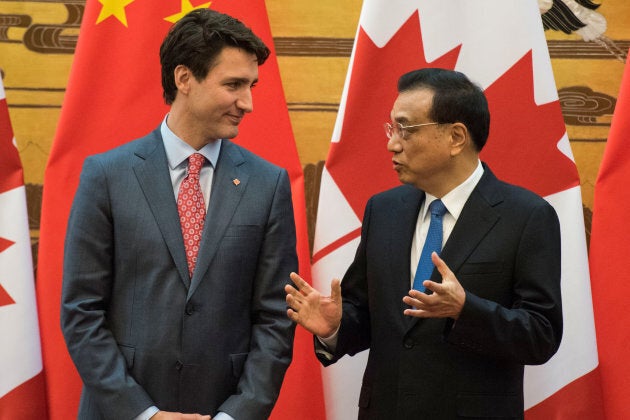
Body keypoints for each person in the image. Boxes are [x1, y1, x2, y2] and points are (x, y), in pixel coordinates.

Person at [286, 68, 563, 419]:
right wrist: (336, 327)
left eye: (406, 129)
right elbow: (371, 315)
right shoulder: (384, 210)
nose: (392, 143)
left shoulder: (525, 217)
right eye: (391, 128)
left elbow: (542, 334)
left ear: (456, 137)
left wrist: (466, 310)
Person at [61, 9, 297, 420]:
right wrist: (144, 414)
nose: (248, 103)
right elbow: (82, 312)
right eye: (234, 85)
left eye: (252, 85)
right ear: (184, 78)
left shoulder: (268, 183)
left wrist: (235, 415)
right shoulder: (107, 175)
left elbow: (276, 319)